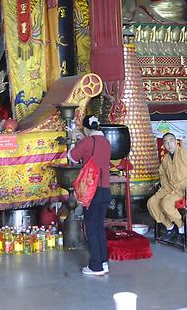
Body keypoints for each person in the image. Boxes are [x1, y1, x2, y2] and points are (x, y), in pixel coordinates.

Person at [67, 115, 112, 276]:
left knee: (91, 229)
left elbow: (72, 157)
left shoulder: (87, 142)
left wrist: (74, 140)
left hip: (92, 191)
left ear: (86, 129)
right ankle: (104, 262)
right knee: (99, 227)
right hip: (106, 190)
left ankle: (95, 266)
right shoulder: (106, 142)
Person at [146, 133, 187, 241]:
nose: (169, 144)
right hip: (171, 188)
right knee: (151, 203)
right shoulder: (166, 159)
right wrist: (165, 187)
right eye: (166, 142)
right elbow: (162, 174)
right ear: (164, 145)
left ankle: (181, 228)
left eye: (171, 140)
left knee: (166, 203)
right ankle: (170, 227)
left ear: (176, 141)